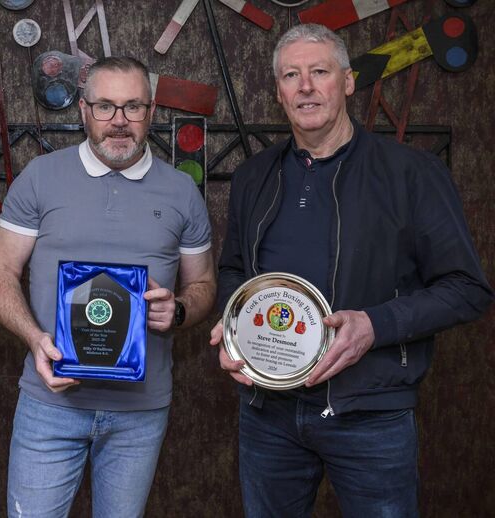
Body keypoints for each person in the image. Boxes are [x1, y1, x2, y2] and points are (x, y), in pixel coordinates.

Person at [208, 23, 493, 517]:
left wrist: (374, 325)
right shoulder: (254, 176)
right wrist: (232, 329)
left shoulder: (412, 173)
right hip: (267, 414)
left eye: (320, 71)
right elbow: (234, 271)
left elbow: (468, 289)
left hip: (370, 415)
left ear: (347, 81)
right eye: (291, 75)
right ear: (278, 91)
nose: (305, 86)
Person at [0, 56, 215, 517]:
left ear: (151, 112)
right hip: (51, 401)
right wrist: (34, 338)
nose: (119, 122)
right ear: (84, 110)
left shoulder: (182, 190)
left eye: (133, 107)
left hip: (141, 411)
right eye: (106, 107)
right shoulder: (40, 178)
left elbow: (204, 283)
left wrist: (181, 310)